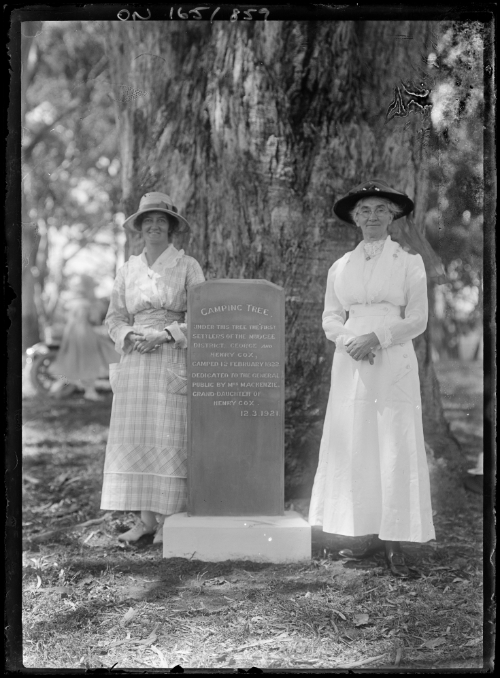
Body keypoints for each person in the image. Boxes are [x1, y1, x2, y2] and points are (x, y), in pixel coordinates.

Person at [308, 179, 435, 578]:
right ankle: (361, 532)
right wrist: (350, 340)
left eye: (381, 209)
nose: (372, 217)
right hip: (351, 359)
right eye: (364, 210)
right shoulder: (339, 267)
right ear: (354, 218)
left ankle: (394, 542)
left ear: (393, 215)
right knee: (357, 440)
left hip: (392, 355)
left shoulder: (408, 261)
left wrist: (377, 338)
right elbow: (330, 317)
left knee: (393, 441)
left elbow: (417, 318)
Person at [101, 192, 205, 544]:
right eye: (149, 222)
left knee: (168, 435)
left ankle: (169, 521)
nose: (155, 227)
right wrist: (130, 333)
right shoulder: (128, 269)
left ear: (172, 227)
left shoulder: (187, 265)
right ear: (140, 229)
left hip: (170, 355)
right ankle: (144, 520)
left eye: (162, 221)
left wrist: (163, 336)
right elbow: (114, 317)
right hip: (136, 359)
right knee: (138, 435)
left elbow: (202, 313)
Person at [49, 292, 119, 401]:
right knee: (89, 362)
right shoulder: (88, 305)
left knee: (73, 362)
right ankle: (89, 392)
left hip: (71, 333)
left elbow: (66, 319)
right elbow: (93, 320)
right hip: (85, 333)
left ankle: (57, 387)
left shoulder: (70, 304)